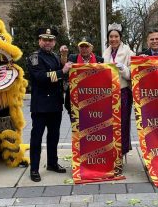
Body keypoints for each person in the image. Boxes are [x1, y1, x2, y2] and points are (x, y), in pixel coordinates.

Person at [27, 27, 72, 182]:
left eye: (50, 40)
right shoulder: (35, 57)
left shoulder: (53, 56)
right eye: (44, 40)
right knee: (36, 138)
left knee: (54, 136)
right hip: (40, 105)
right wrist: (62, 72)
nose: (47, 42)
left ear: (54, 42)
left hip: (54, 104)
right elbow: (40, 77)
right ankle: (34, 169)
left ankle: (52, 163)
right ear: (39, 40)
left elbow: (62, 68)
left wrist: (64, 56)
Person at [103, 23, 135, 156]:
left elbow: (133, 75)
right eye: (111, 36)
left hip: (123, 92)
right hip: (109, 93)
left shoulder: (128, 51)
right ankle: (111, 150)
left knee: (122, 123)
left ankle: (121, 152)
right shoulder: (105, 52)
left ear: (120, 38)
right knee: (110, 123)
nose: (113, 39)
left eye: (116, 36)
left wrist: (123, 69)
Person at [64, 37, 104, 117]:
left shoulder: (100, 60)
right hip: (75, 101)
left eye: (87, 46)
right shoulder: (72, 58)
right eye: (82, 47)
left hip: (93, 100)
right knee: (77, 127)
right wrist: (64, 56)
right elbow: (65, 71)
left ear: (92, 48)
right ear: (79, 48)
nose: (84, 49)